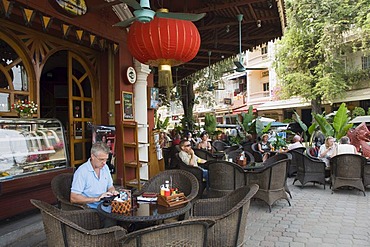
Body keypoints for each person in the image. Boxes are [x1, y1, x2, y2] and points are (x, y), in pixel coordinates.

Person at [70, 142, 118, 209]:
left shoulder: (105, 167)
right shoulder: (82, 172)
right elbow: (73, 198)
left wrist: (111, 192)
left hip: (106, 205)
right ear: (92, 156)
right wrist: (97, 199)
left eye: (106, 160)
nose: (104, 163)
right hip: (91, 210)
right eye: (101, 159)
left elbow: (110, 186)